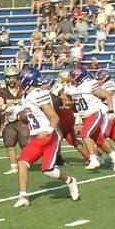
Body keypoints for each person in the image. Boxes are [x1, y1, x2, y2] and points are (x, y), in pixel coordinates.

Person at [12, 67, 79, 208]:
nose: (18, 81)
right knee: (22, 163)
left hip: (48, 137)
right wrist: (19, 115)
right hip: (35, 138)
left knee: (48, 170)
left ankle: (70, 180)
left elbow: (54, 117)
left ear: (27, 80)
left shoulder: (37, 94)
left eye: (20, 78)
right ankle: (23, 196)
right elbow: (30, 115)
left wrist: (48, 130)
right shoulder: (26, 95)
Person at [63, 66, 115, 171]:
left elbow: (107, 95)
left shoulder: (89, 84)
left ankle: (93, 159)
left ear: (79, 77)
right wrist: (58, 94)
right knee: (98, 140)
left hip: (95, 113)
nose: (70, 78)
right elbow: (68, 101)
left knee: (84, 134)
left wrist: (111, 110)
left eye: (72, 76)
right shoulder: (71, 87)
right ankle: (114, 155)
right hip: (84, 117)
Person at [0, 66, 28, 175]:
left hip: (23, 120)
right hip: (10, 121)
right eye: (9, 77)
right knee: (9, 144)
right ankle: (14, 167)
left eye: (13, 77)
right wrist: (6, 105)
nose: (11, 80)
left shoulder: (24, 86)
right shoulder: (1, 89)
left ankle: (25, 163)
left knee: (24, 144)